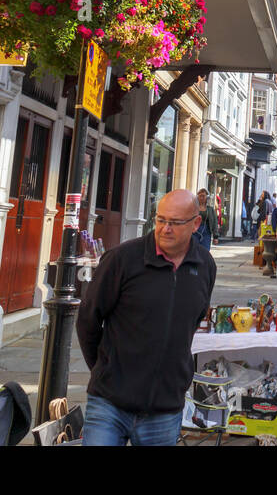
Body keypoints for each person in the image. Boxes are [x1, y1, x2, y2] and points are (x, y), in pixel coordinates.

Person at [77, 189, 215, 446]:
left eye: (175, 222)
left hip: (165, 407)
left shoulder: (205, 265)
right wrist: (105, 369)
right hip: (110, 403)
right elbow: (88, 320)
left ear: (196, 223)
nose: (165, 229)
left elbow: (192, 322)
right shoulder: (122, 259)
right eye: (161, 220)